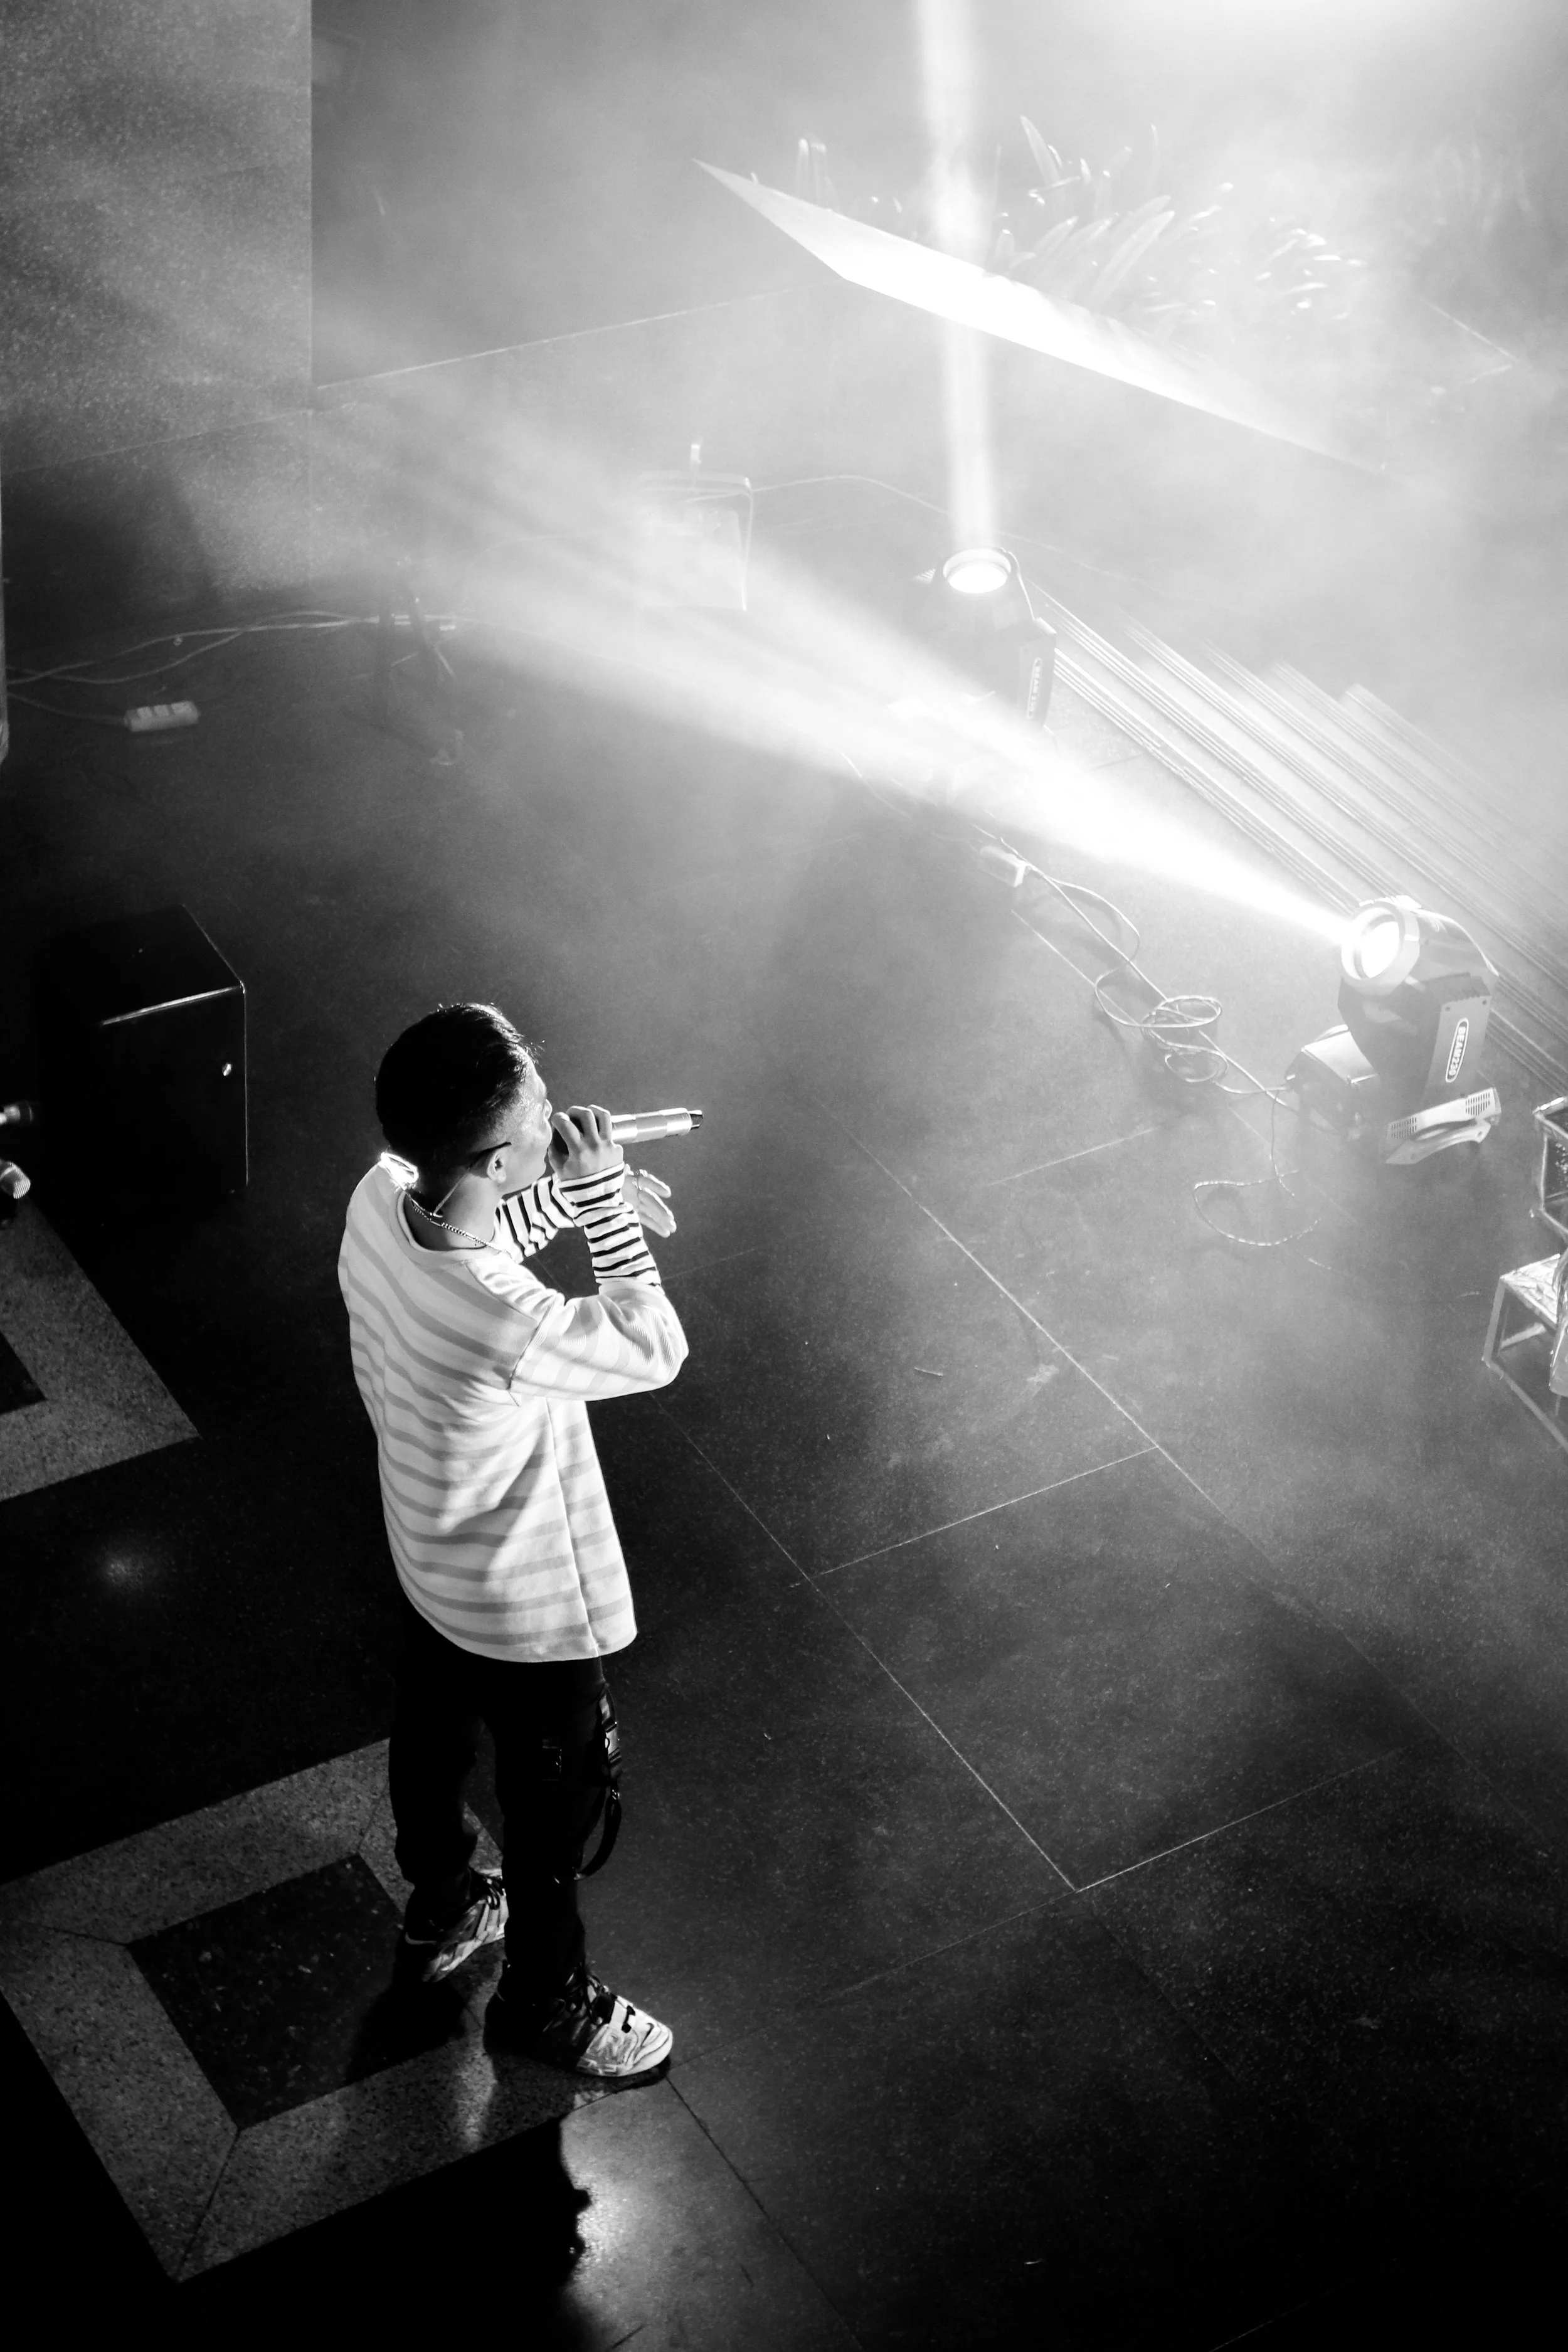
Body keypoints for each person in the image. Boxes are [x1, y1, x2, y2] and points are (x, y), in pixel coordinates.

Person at [337, 1001, 687, 2079]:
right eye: (540, 1105)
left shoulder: (379, 1193)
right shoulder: (505, 1319)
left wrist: (571, 1191)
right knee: (552, 1806)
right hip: (520, 1604)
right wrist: (603, 1213)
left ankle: (442, 1900)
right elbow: (651, 1342)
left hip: (428, 1551)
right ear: (494, 1147)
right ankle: (545, 1999)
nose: (563, 1108)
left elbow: (477, 1224)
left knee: (432, 1733)